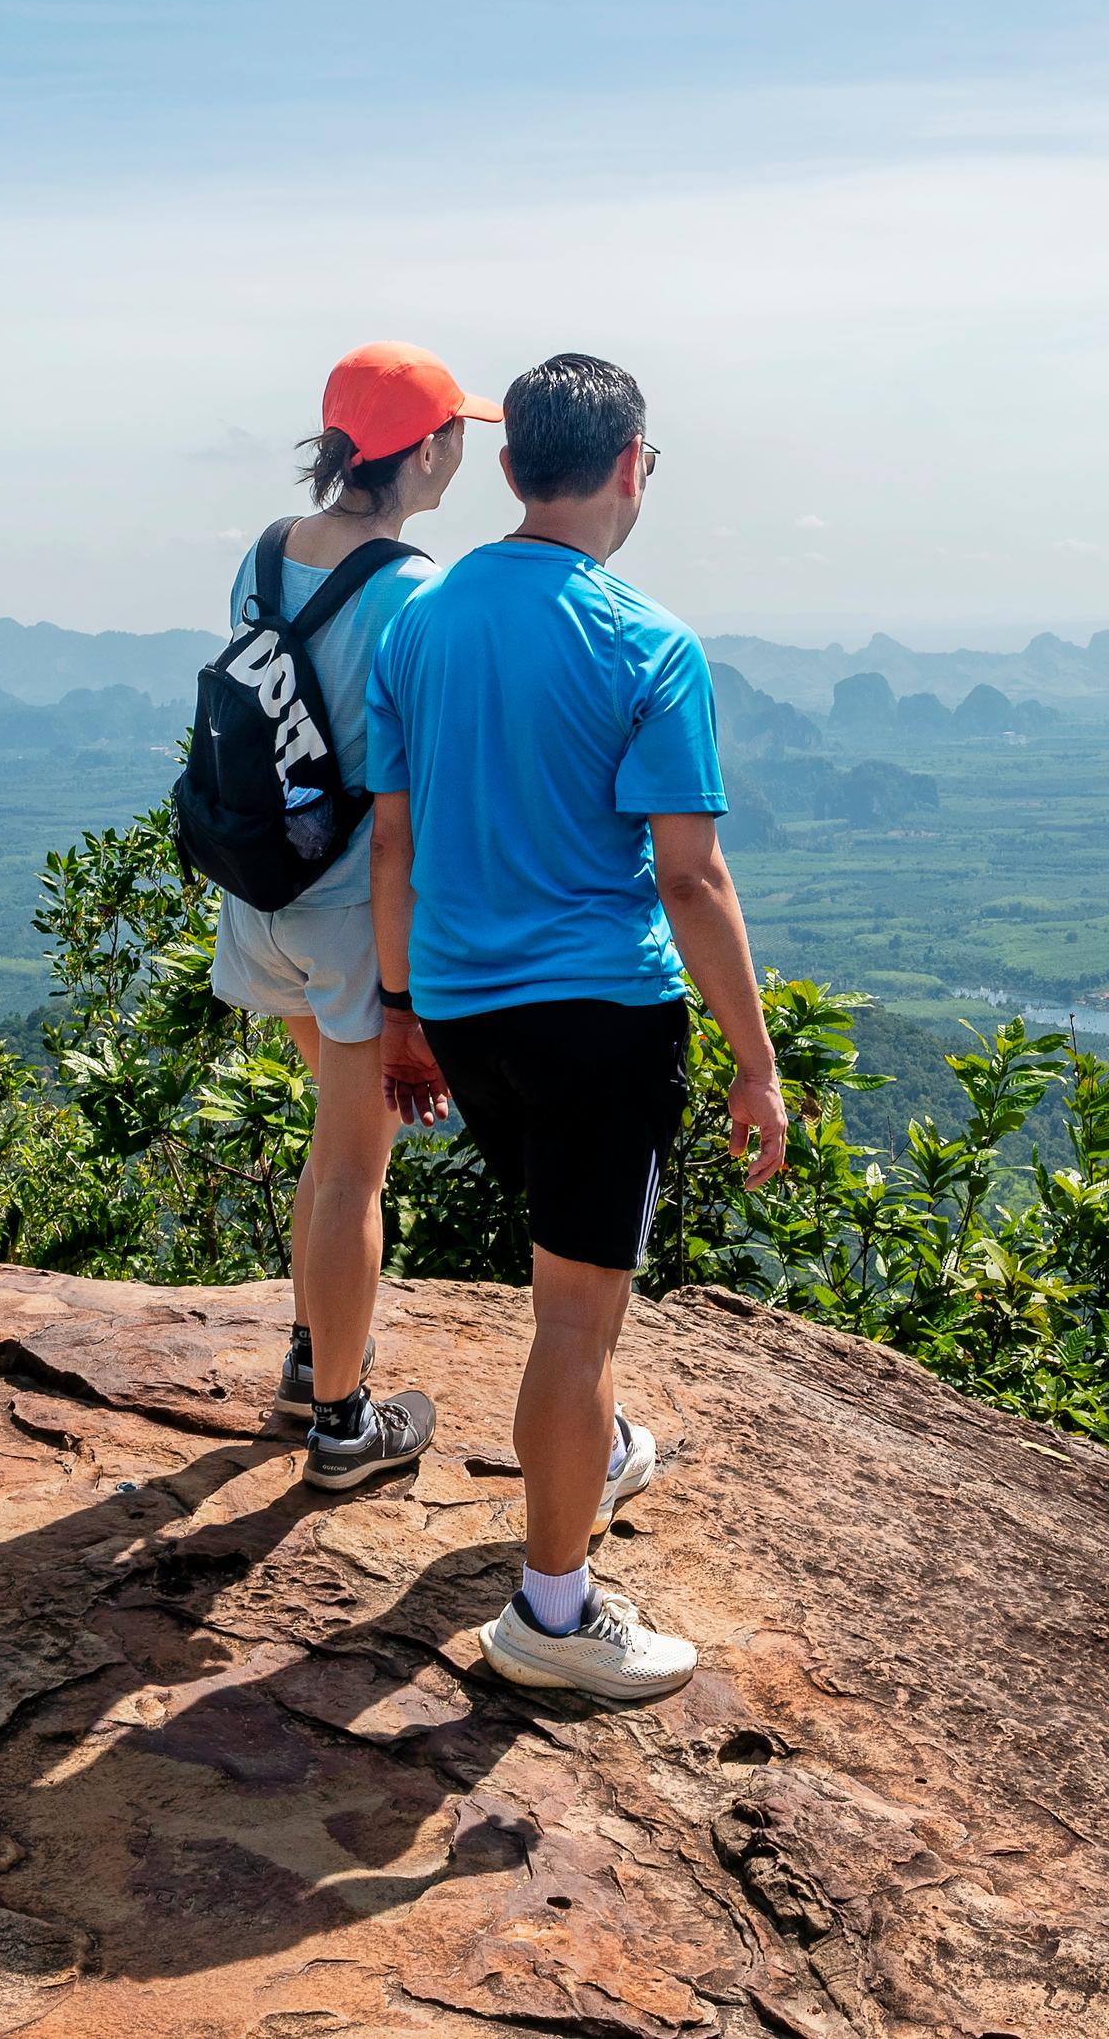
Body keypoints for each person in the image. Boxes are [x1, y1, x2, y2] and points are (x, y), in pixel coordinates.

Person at [365, 352, 788, 1699]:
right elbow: (686, 875)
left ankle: (587, 1453)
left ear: (506, 469)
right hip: (599, 1013)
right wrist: (755, 1060)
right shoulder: (647, 641)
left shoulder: (416, 625)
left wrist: (398, 1015)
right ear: (626, 467)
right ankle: (549, 1615)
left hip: (464, 1010)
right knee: (573, 1321)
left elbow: (394, 839)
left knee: (568, 1295)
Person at [209, 340, 501, 1490]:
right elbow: (401, 819)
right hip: (351, 918)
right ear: (426, 448)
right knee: (353, 1173)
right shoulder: (418, 591)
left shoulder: (266, 548)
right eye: (457, 432)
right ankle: (341, 1421)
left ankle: (309, 1351)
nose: (465, 449)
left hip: (262, 889)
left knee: (334, 1154)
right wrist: (405, 994)